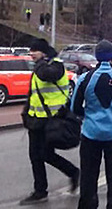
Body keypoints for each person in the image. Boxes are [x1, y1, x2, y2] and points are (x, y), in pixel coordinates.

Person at [71, 40, 112, 209]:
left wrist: (89, 115)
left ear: (96, 57)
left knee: (88, 177)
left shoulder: (85, 79)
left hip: (90, 135)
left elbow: (75, 107)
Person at [20, 38, 79, 206]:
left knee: (43, 154)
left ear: (44, 52)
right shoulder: (41, 65)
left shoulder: (56, 65)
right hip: (36, 121)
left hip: (52, 120)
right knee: (37, 156)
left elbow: (47, 75)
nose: (31, 53)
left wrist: (40, 62)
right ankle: (43, 189)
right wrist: (26, 114)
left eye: (35, 51)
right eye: (30, 51)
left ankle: (69, 175)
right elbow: (34, 94)